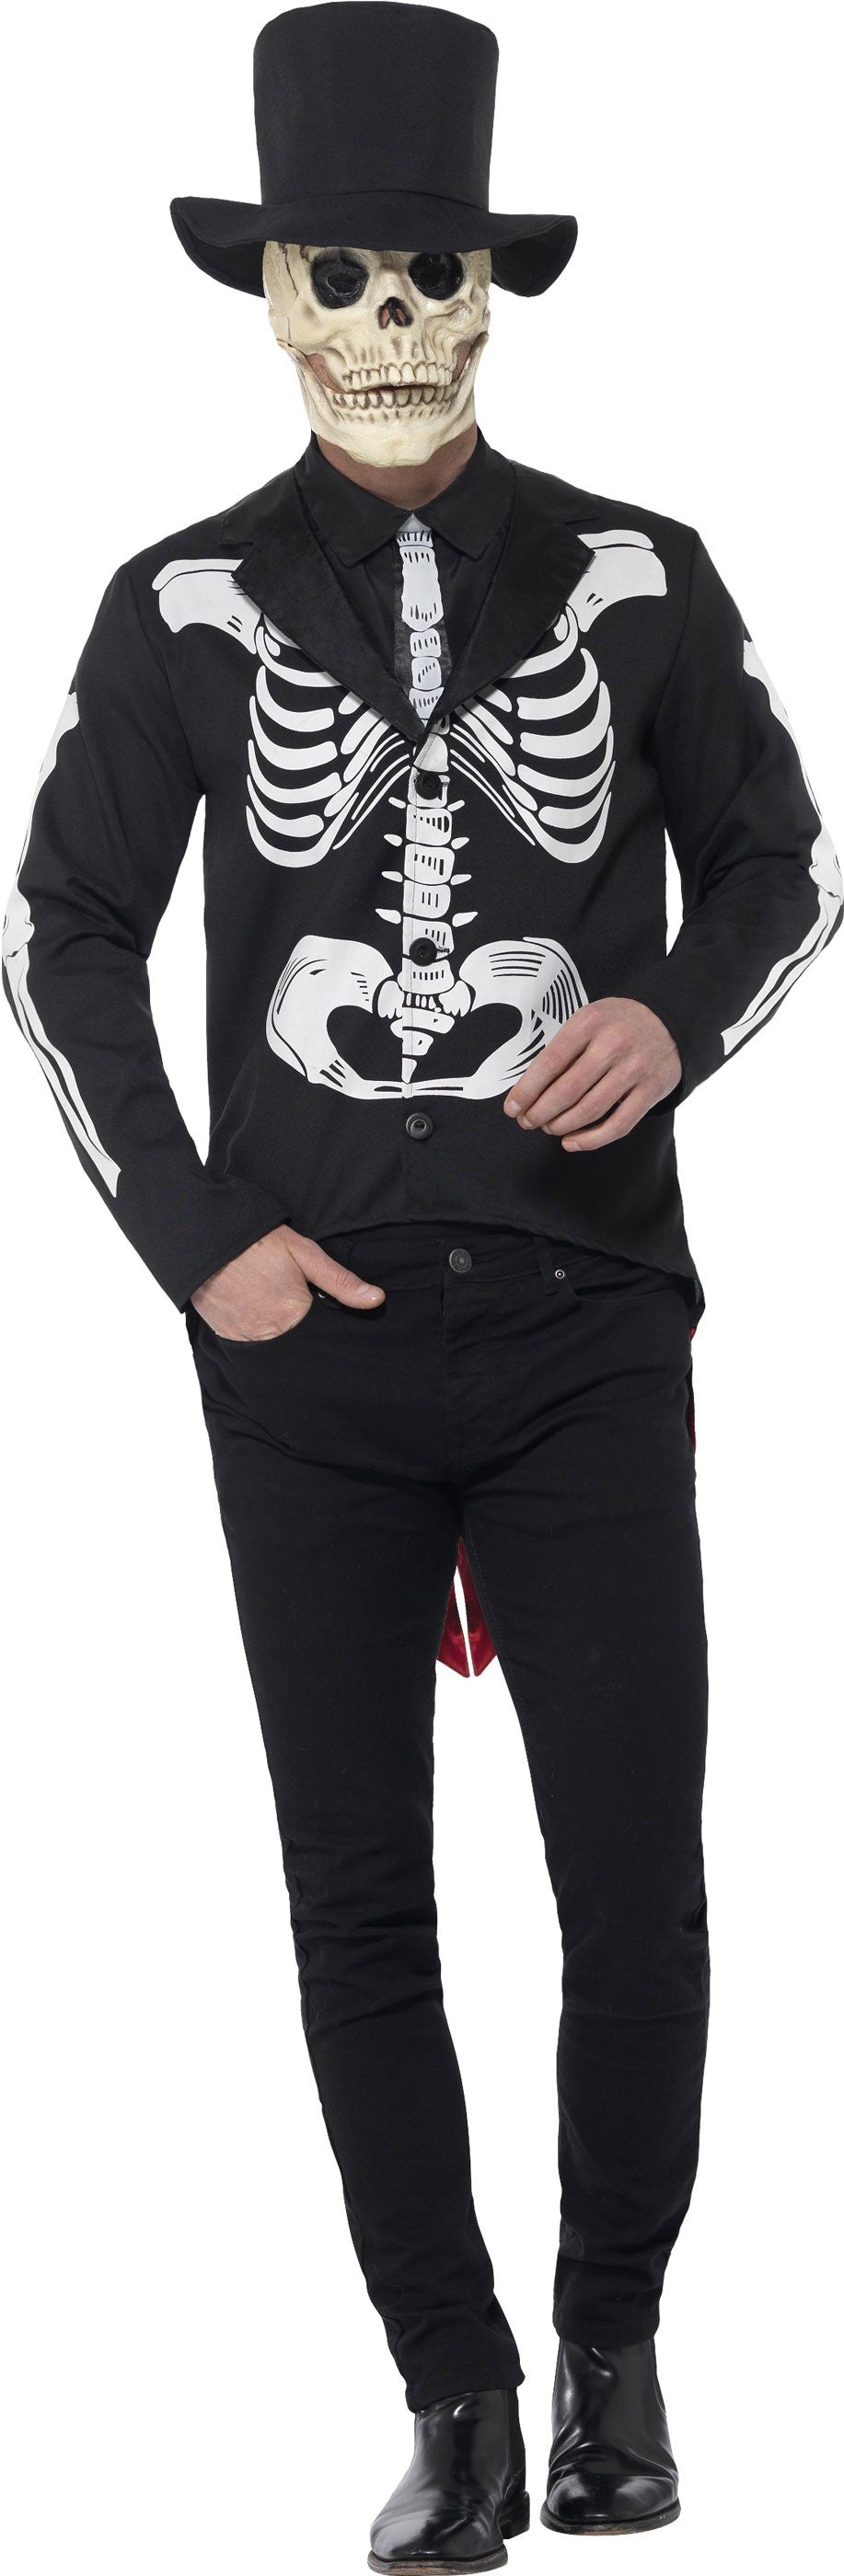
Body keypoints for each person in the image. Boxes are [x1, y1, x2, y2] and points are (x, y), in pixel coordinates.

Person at [4, 6, 840, 2566]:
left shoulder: (640, 575)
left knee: (635, 1871)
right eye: (343, 275)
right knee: (359, 1893)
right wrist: (189, 1242)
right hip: (306, 1347)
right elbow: (63, 937)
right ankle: (455, 2396)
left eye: (431, 274)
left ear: (489, 290)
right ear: (277, 297)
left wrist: (670, 1018)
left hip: (588, 1321)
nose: (391, 319)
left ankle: (617, 2359)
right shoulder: (180, 605)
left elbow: (786, 863)